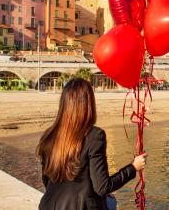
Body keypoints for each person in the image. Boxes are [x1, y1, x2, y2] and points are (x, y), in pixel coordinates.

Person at [36, 78, 147, 210]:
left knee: (109, 201)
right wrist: (133, 167)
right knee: (111, 202)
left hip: (49, 206)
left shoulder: (48, 135)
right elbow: (102, 187)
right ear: (88, 104)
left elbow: (46, 181)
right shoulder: (94, 135)